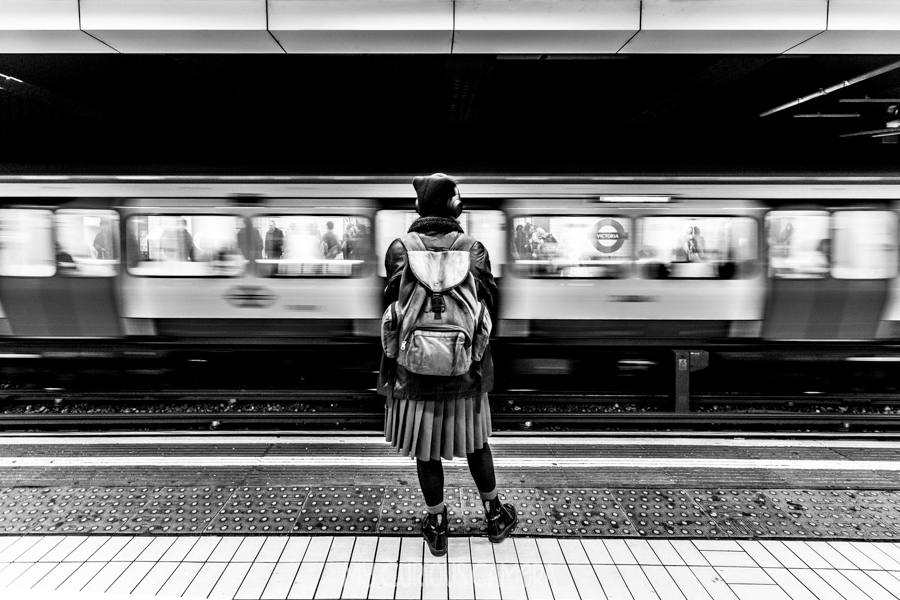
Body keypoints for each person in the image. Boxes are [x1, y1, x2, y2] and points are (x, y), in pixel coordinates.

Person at [378, 173, 517, 557]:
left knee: (427, 450)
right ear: (454, 207)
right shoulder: (473, 249)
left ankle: (437, 524)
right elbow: (490, 309)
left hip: (414, 369)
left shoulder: (400, 249)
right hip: (465, 371)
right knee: (476, 444)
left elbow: (390, 309)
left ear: (420, 208)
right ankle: (494, 515)